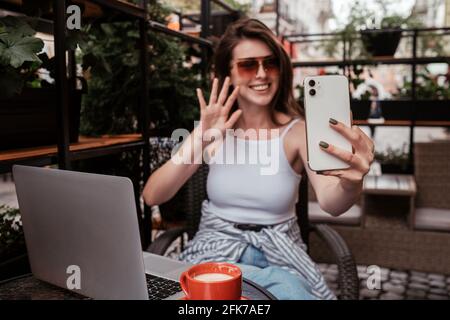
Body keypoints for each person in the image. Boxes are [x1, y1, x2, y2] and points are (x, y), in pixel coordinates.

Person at [143, 18, 374, 300]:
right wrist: (201, 137)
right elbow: (153, 195)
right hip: (214, 250)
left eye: (270, 63)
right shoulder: (212, 131)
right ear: (228, 72)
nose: (262, 74)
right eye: (248, 65)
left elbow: (330, 201)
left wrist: (350, 184)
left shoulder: (298, 132)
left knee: (282, 287)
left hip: (283, 256)